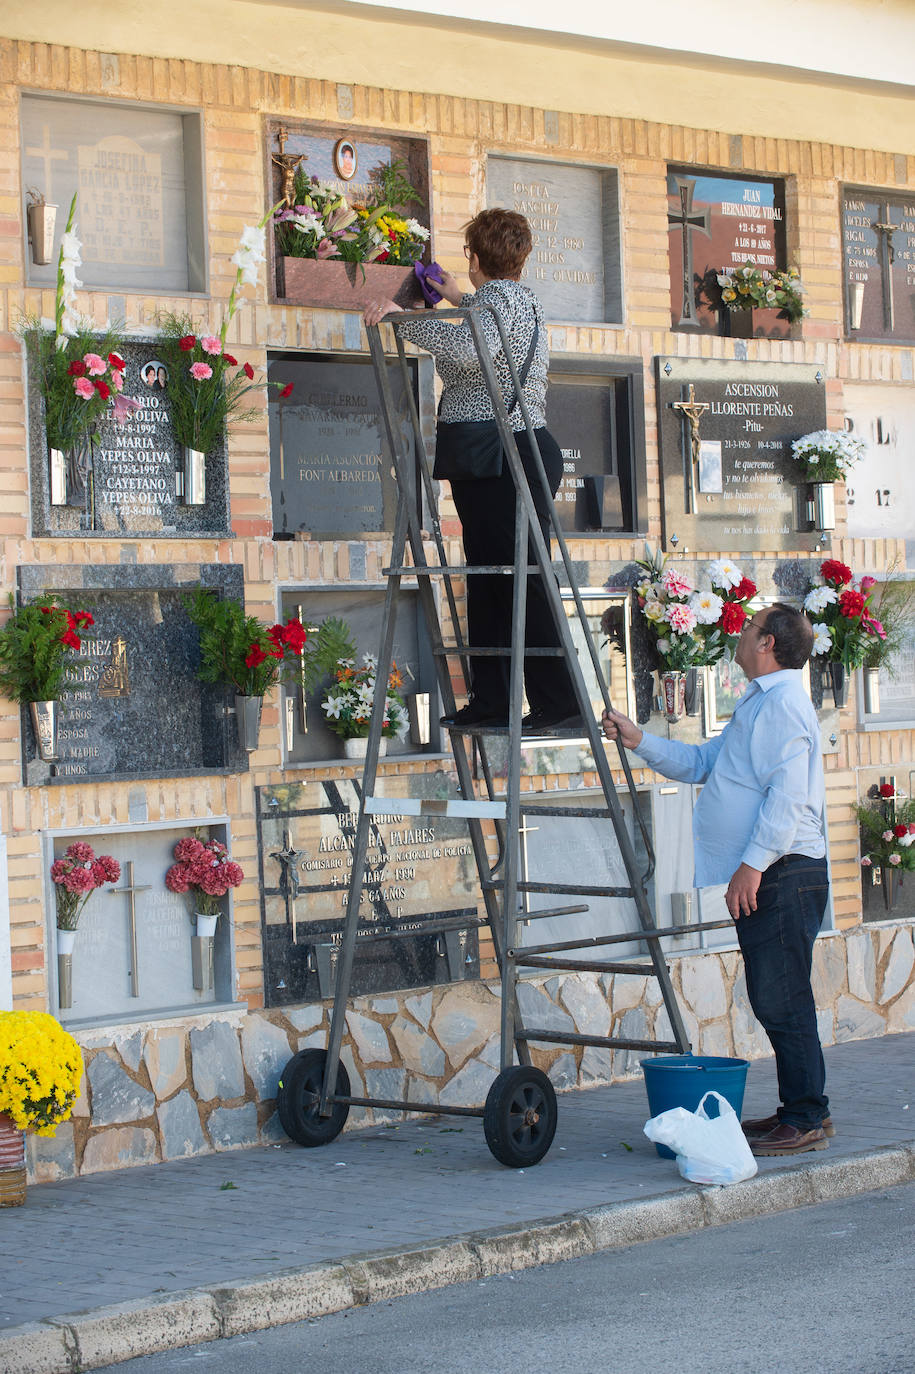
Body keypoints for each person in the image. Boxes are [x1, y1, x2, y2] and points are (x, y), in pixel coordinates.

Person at [601, 602, 833, 1156]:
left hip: (783, 869)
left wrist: (751, 866)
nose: (742, 632)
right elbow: (708, 763)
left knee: (783, 996)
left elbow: (788, 798)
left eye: (751, 627)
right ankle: (800, 1110)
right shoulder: (759, 701)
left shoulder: (782, 706)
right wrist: (640, 740)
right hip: (771, 869)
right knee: (775, 994)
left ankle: (806, 1117)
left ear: (768, 644)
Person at [362, 208, 581, 733]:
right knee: (503, 579)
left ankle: (551, 701)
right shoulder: (517, 299)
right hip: (520, 451)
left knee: (510, 580)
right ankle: (500, 700)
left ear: (476, 256)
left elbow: (467, 352)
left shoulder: (494, 306)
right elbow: (484, 325)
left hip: (499, 456)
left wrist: (399, 315)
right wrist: (456, 297)